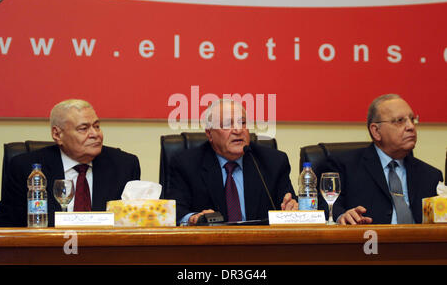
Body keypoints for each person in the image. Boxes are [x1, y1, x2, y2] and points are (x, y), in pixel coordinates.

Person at [0, 99, 141, 227]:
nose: (95, 134)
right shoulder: (25, 168)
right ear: (57, 134)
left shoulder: (124, 165)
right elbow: (6, 225)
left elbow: (135, 223)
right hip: (47, 253)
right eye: (83, 128)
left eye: (96, 126)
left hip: (105, 254)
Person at [166, 99, 298, 225]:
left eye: (243, 123)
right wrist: (194, 218)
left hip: (261, 245)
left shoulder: (273, 162)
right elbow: (175, 211)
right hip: (208, 245)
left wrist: (292, 207)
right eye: (227, 125)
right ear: (209, 133)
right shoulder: (186, 164)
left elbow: (288, 203)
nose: (238, 130)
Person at [325, 94, 443, 225]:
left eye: (412, 119)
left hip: (420, 244)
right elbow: (323, 204)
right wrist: (342, 216)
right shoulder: (344, 166)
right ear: (376, 131)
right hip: (367, 242)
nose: (411, 126)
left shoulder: (431, 176)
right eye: (399, 121)